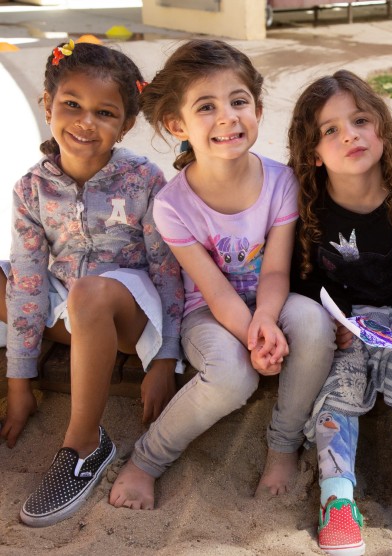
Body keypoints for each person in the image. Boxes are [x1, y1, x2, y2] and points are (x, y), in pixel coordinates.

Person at [108, 39, 336, 511]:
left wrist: (266, 322)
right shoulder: (172, 204)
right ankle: (147, 460)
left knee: (313, 323)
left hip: (271, 301)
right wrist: (253, 337)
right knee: (233, 375)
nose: (228, 116)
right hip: (208, 314)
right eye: (206, 107)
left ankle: (282, 444)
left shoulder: (281, 181)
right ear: (177, 124)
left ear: (256, 107)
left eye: (238, 101)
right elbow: (211, 289)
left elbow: (275, 270)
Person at [0, 41, 183, 527]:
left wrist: (166, 358)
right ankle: (35, 360)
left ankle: (84, 445)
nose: (85, 122)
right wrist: (20, 383)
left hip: (126, 314)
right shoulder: (31, 189)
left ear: (125, 125)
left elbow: (167, 270)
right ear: (48, 104)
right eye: (72, 105)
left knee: (90, 292)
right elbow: (26, 282)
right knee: (17, 276)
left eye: (105, 113)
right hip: (70, 309)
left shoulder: (143, 178)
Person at [288, 70, 392, 555]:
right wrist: (336, 318)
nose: (350, 135)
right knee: (336, 383)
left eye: (360, 119)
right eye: (330, 130)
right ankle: (337, 498)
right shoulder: (310, 204)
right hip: (346, 322)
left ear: (382, 126)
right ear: (314, 151)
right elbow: (304, 275)